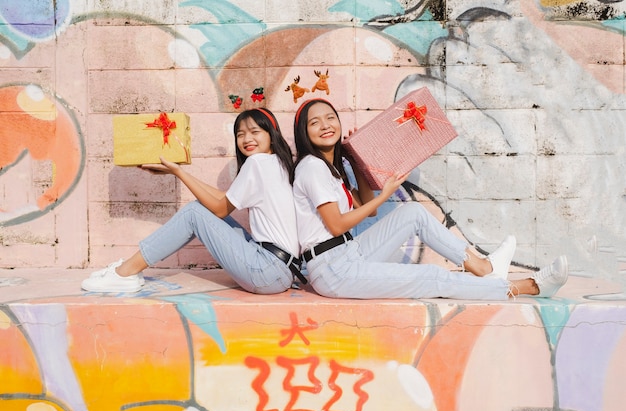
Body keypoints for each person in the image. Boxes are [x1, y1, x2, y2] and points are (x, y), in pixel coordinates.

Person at [290, 98, 568, 300]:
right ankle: (529, 287)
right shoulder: (312, 167)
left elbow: (368, 211)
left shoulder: (331, 170)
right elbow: (337, 225)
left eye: (330, 117)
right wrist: (386, 194)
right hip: (333, 269)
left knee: (413, 213)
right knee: (429, 277)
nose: (326, 125)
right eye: (315, 122)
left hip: (349, 254)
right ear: (305, 133)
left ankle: (483, 268)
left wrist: (356, 159)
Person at [82, 108, 304, 293]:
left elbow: (219, 210)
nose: (246, 139)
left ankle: (125, 272)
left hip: (266, 271)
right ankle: (129, 270)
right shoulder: (278, 164)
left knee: (193, 213)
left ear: (271, 135)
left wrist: (179, 172)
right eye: (240, 134)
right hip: (282, 270)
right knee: (199, 209)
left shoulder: (258, 163)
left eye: (255, 132)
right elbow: (223, 200)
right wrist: (177, 173)